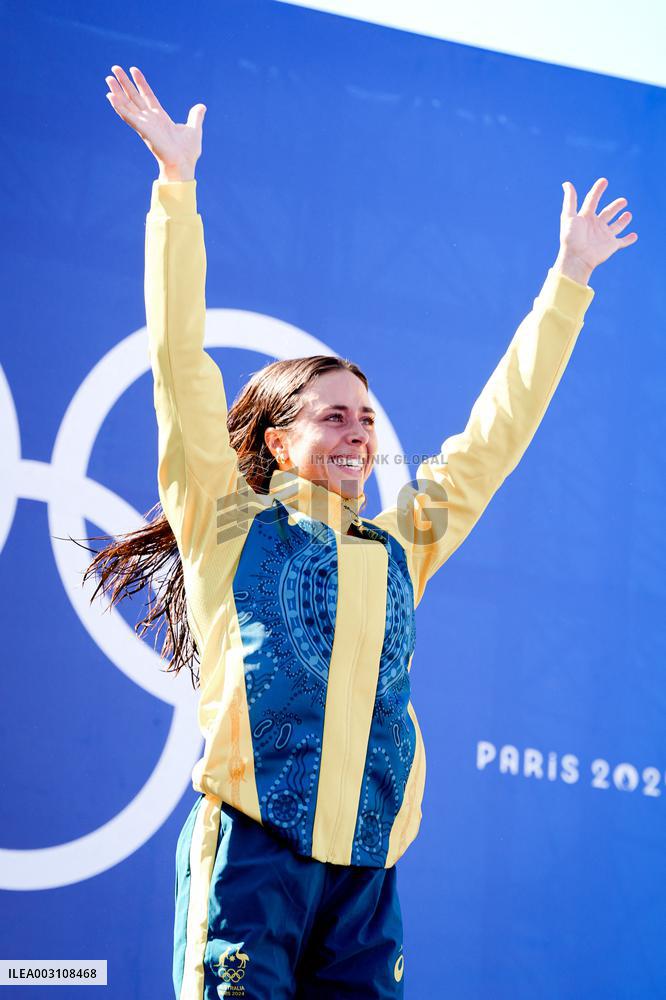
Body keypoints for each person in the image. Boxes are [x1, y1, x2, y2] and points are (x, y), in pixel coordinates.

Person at [94, 64, 637, 1000]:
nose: (360, 431)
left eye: (367, 416)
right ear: (277, 438)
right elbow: (180, 366)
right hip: (253, 860)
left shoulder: (403, 546)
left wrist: (568, 281)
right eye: (334, 416)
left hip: (366, 884)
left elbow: (493, 437)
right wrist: (175, 192)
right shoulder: (228, 522)